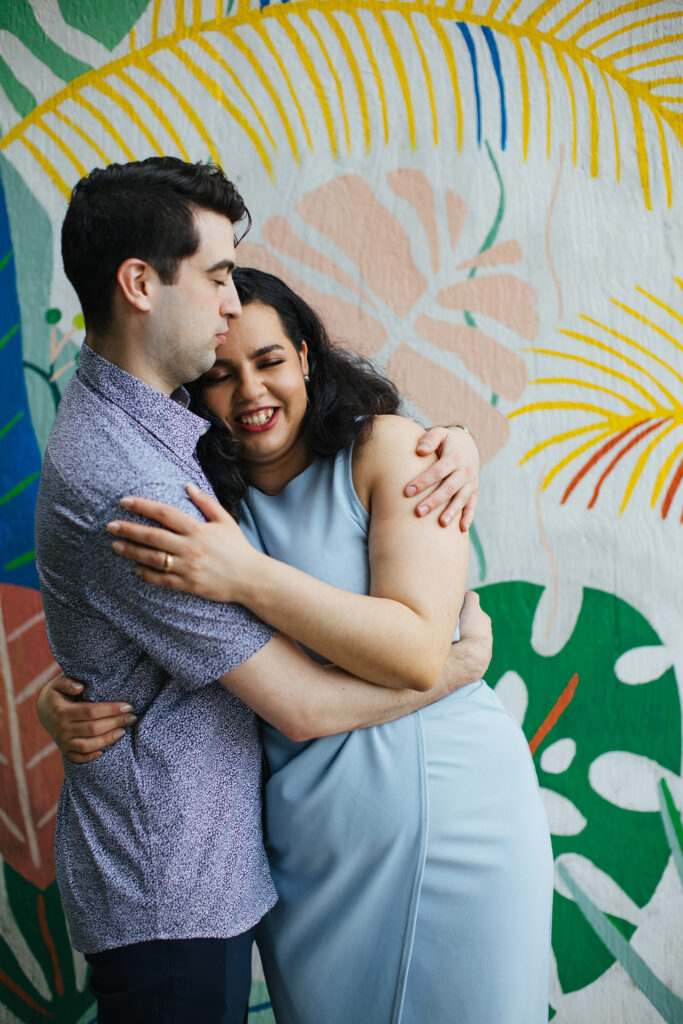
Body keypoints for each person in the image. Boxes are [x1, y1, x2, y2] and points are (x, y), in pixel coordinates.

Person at [35, 156, 491, 1024]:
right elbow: (301, 706)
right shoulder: (136, 488)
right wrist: (458, 666)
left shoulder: (165, 438)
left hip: (218, 868)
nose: (228, 303)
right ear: (139, 284)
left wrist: (452, 438)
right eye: (213, 276)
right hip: (171, 885)